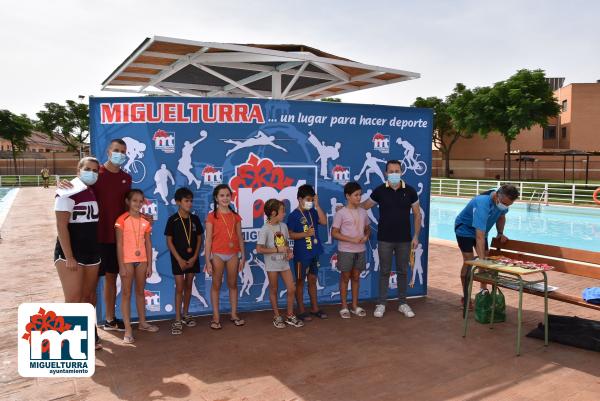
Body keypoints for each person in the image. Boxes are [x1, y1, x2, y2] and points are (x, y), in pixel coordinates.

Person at [361, 160, 421, 319]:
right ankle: (381, 303)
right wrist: (347, 207)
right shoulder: (380, 191)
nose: (394, 173)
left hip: (404, 240)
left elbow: (417, 214)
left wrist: (416, 236)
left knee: (402, 271)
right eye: (391, 171)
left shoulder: (410, 191)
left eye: (397, 170)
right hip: (384, 239)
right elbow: (364, 206)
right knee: (385, 272)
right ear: (386, 173)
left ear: (401, 172)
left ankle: (402, 303)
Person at [54, 157, 102, 350]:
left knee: (89, 296)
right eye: (87, 169)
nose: (92, 172)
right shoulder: (66, 191)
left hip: (91, 251)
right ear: (78, 170)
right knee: (74, 298)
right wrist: (70, 256)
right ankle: (71, 340)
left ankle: (90, 333)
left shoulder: (92, 190)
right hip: (71, 253)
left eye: (95, 170)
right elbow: (61, 225)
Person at [454, 185, 519, 314]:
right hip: (465, 230)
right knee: (470, 261)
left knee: (485, 259)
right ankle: (466, 297)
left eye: (509, 205)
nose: (506, 206)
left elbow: (501, 216)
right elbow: (479, 236)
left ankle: (482, 291)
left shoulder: (502, 203)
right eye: (505, 203)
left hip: (482, 232)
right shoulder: (482, 203)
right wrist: (482, 261)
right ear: (497, 196)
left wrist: (500, 233)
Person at [115, 189, 159, 344]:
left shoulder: (146, 221)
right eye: (135, 200)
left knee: (140, 292)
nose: (138, 204)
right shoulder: (122, 220)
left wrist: (148, 264)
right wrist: (121, 265)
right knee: (126, 293)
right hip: (127, 261)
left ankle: (142, 323)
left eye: (141, 201)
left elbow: (148, 242)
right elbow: (119, 244)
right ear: (128, 202)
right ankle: (128, 329)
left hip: (142, 261)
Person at [256, 199, 304, 329]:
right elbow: (259, 249)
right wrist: (277, 250)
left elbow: (286, 244)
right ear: (273, 213)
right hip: (272, 265)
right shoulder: (265, 229)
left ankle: (289, 315)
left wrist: (289, 252)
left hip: (284, 264)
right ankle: (277, 316)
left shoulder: (283, 226)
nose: (284, 213)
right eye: (282, 211)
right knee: (274, 289)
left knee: (291, 288)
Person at [204, 184, 245, 330]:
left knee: (233, 284)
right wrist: (207, 260)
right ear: (216, 198)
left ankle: (234, 314)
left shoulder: (235, 216)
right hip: (217, 255)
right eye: (222, 195)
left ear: (231, 197)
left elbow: (240, 237)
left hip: (233, 255)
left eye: (227, 195)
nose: (225, 198)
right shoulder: (211, 216)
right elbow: (208, 240)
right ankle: (216, 317)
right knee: (216, 285)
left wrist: (243, 257)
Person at [164, 187, 204, 335]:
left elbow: (199, 238)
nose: (190, 203)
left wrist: (194, 257)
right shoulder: (172, 220)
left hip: (192, 259)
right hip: (178, 259)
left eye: (191, 201)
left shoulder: (195, 219)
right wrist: (179, 259)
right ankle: (177, 318)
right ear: (178, 202)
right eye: (186, 201)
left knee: (189, 285)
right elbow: (169, 241)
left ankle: (186, 313)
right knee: (179, 287)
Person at [287, 184, 328, 321]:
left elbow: (323, 221)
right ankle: (301, 310)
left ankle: (315, 308)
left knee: (312, 280)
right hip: (301, 255)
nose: (310, 202)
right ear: (299, 199)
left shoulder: (313, 212)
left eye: (312, 199)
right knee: (300, 281)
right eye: (308, 199)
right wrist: (305, 234)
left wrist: (317, 205)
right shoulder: (294, 215)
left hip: (314, 252)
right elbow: (290, 234)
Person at [332, 182, 371, 318]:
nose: (359, 198)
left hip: (360, 250)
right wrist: (351, 239)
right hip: (345, 250)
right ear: (348, 196)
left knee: (356, 277)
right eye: (356, 195)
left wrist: (366, 236)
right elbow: (334, 233)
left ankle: (354, 306)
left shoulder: (363, 212)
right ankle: (344, 307)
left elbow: (367, 229)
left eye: (360, 194)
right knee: (345, 278)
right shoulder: (341, 213)